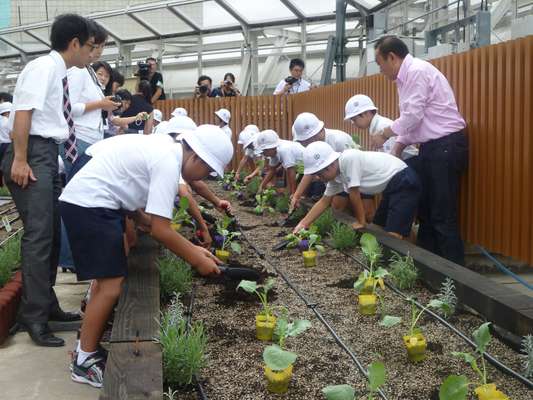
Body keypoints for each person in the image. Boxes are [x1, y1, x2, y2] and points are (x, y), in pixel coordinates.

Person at [60, 126, 232, 387]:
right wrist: (197, 261)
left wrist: (196, 249)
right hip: (91, 203)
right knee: (111, 285)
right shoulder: (168, 161)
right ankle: (83, 361)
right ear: (196, 157)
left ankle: (87, 347)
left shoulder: (164, 148)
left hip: (91, 201)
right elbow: (161, 230)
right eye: (207, 171)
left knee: (107, 281)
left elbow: (142, 215)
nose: (205, 177)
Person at [1, 13, 93, 347]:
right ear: (74, 43)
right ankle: (34, 317)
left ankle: (47, 305)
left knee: (51, 235)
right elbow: (21, 113)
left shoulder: (57, 71)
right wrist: (22, 159)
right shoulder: (43, 68)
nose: (91, 54)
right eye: (89, 46)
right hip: (32, 154)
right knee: (39, 237)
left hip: (46, 155)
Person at [371, 35, 468, 265]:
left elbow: (412, 116)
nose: (380, 69)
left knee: (442, 216)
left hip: (445, 146)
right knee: (425, 213)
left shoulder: (416, 72)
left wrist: (385, 133)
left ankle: (456, 279)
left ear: (392, 57)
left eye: (379, 63)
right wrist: (396, 148)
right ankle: (430, 270)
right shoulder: (403, 79)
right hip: (431, 148)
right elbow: (414, 122)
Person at [294, 141, 421, 240]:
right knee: (378, 227)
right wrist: (303, 224)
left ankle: (414, 258)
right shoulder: (336, 177)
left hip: (404, 181)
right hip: (391, 186)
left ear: (330, 166)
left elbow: (354, 193)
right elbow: (324, 202)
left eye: (319, 174)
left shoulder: (349, 158)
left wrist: (361, 222)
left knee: (395, 235)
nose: (317, 178)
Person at [290, 112, 357, 212]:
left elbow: (354, 166)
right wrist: (297, 195)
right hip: (334, 181)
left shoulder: (339, 140)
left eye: (305, 141)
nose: (304, 144)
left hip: (353, 177)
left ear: (314, 135)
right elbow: (310, 171)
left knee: (365, 211)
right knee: (337, 208)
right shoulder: (312, 146)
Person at [345, 94, 418, 164]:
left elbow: (392, 159)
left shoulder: (382, 126)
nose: (353, 123)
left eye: (354, 119)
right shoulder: (376, 127)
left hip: (409, 163)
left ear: (366, 113)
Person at [254, 130, 305, 195]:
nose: (264, 154)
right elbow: (272, 170)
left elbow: (291, 171)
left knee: (301, 194)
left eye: (264, 151)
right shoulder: (274, 151)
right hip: (299, 169)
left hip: (307, 169)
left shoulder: (284, 149)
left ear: (270, 148)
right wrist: (261, 186)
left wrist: (293, 193)